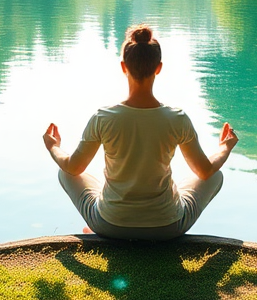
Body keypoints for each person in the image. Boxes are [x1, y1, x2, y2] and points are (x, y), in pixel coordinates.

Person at [42, 24, 239, 240]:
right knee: (215, 175)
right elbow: (205, 171)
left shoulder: (104, 117)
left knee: (65, 172)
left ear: (123, 67)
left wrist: (54, 147)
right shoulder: (177, 119)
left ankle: (101, 225)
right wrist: (225, 148)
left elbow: (73, 167)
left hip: (110, 223)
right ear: (159, 68)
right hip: (167, 227)